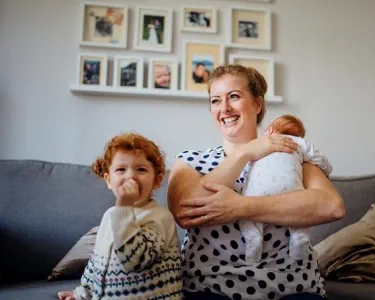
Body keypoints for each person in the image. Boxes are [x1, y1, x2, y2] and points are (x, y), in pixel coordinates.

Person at [167, 64, 345, 300]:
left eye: (234, 96)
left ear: (258, 104)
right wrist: (245, 153)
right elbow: (184, 211)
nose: (225, 108)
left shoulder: (287, 151)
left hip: (292, 288)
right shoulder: (192, 161)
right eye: (215, 100)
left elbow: (331, 206)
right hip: (210, 287)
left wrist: (240, 207)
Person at [58, 133, 183, 300]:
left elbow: (136, 260)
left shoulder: (159, 217)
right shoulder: (110, 215)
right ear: (109, 180)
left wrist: (124, 209)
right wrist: (82, 293)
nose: (130, 176)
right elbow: (96, 263)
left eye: (141, 169)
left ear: (157, 180)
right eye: (121, 169)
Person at [240, 114, 332, 264]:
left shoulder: (259, 144)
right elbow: (319, 158)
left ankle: (253, 241)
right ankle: (299, 237)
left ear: (270, 130)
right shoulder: (300, 143)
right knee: (301, 210)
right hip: (291, 189)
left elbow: (245, 165)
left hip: (258, 191)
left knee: (247, 214)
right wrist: (327, 171)